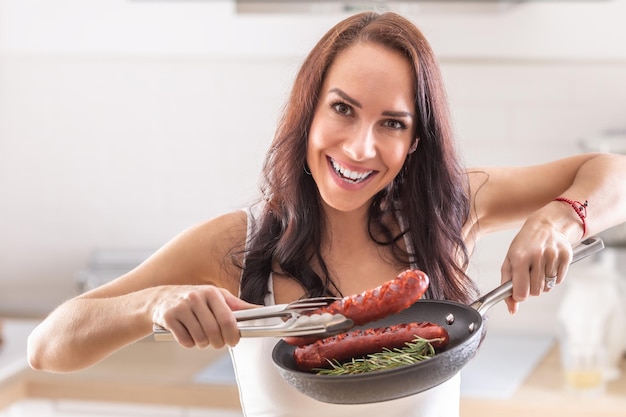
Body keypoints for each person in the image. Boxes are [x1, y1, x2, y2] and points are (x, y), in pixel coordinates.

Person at [27, 11, 626, 417]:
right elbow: (49, 346)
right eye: (342, 109)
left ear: (415, 141)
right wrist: (152, 304)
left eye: (392, 123)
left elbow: (612, 169)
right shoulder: (236, 244)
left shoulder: (448, 210)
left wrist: (559, 220)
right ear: (307, 112)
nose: (361, 147)